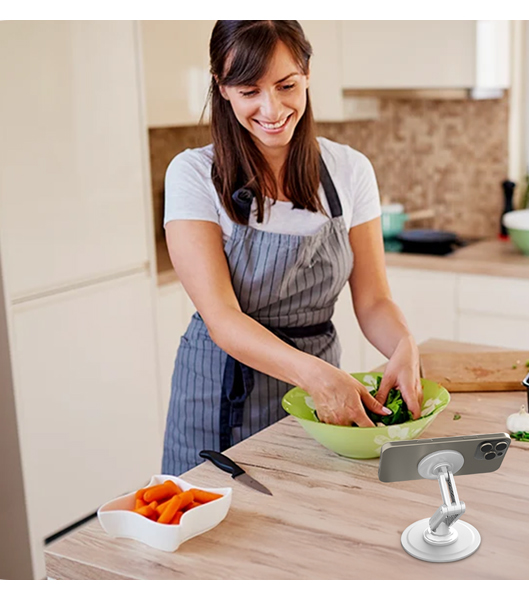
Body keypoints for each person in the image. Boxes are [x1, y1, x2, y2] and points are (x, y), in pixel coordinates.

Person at [161, 20, 422, 476]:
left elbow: (374, 300)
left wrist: (404, 345)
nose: (272, 108)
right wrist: (314, 375)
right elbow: (222, 318)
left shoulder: (350, 170)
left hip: (319, 399)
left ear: (307, 74)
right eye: (249, 91)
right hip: (220, 394)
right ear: (222, 88)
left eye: (286, 86)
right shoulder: (193, 175)